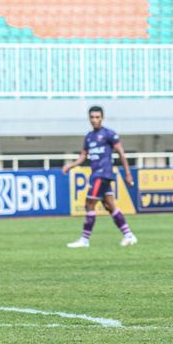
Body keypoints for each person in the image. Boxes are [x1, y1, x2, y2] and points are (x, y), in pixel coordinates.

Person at [62, 106, 138, 248]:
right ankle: (129, 235)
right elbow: (83, 156)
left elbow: (121, 153)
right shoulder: (89, 137)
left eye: (97, 117)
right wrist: (71, 165)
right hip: (96, 173)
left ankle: (84, 240)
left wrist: (127, 174)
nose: (94, 120)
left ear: (102, 118)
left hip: (103, 174)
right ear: (89, 118)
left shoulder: (109, 134)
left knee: (89, 204)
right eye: (92, 117)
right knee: (109, 206)